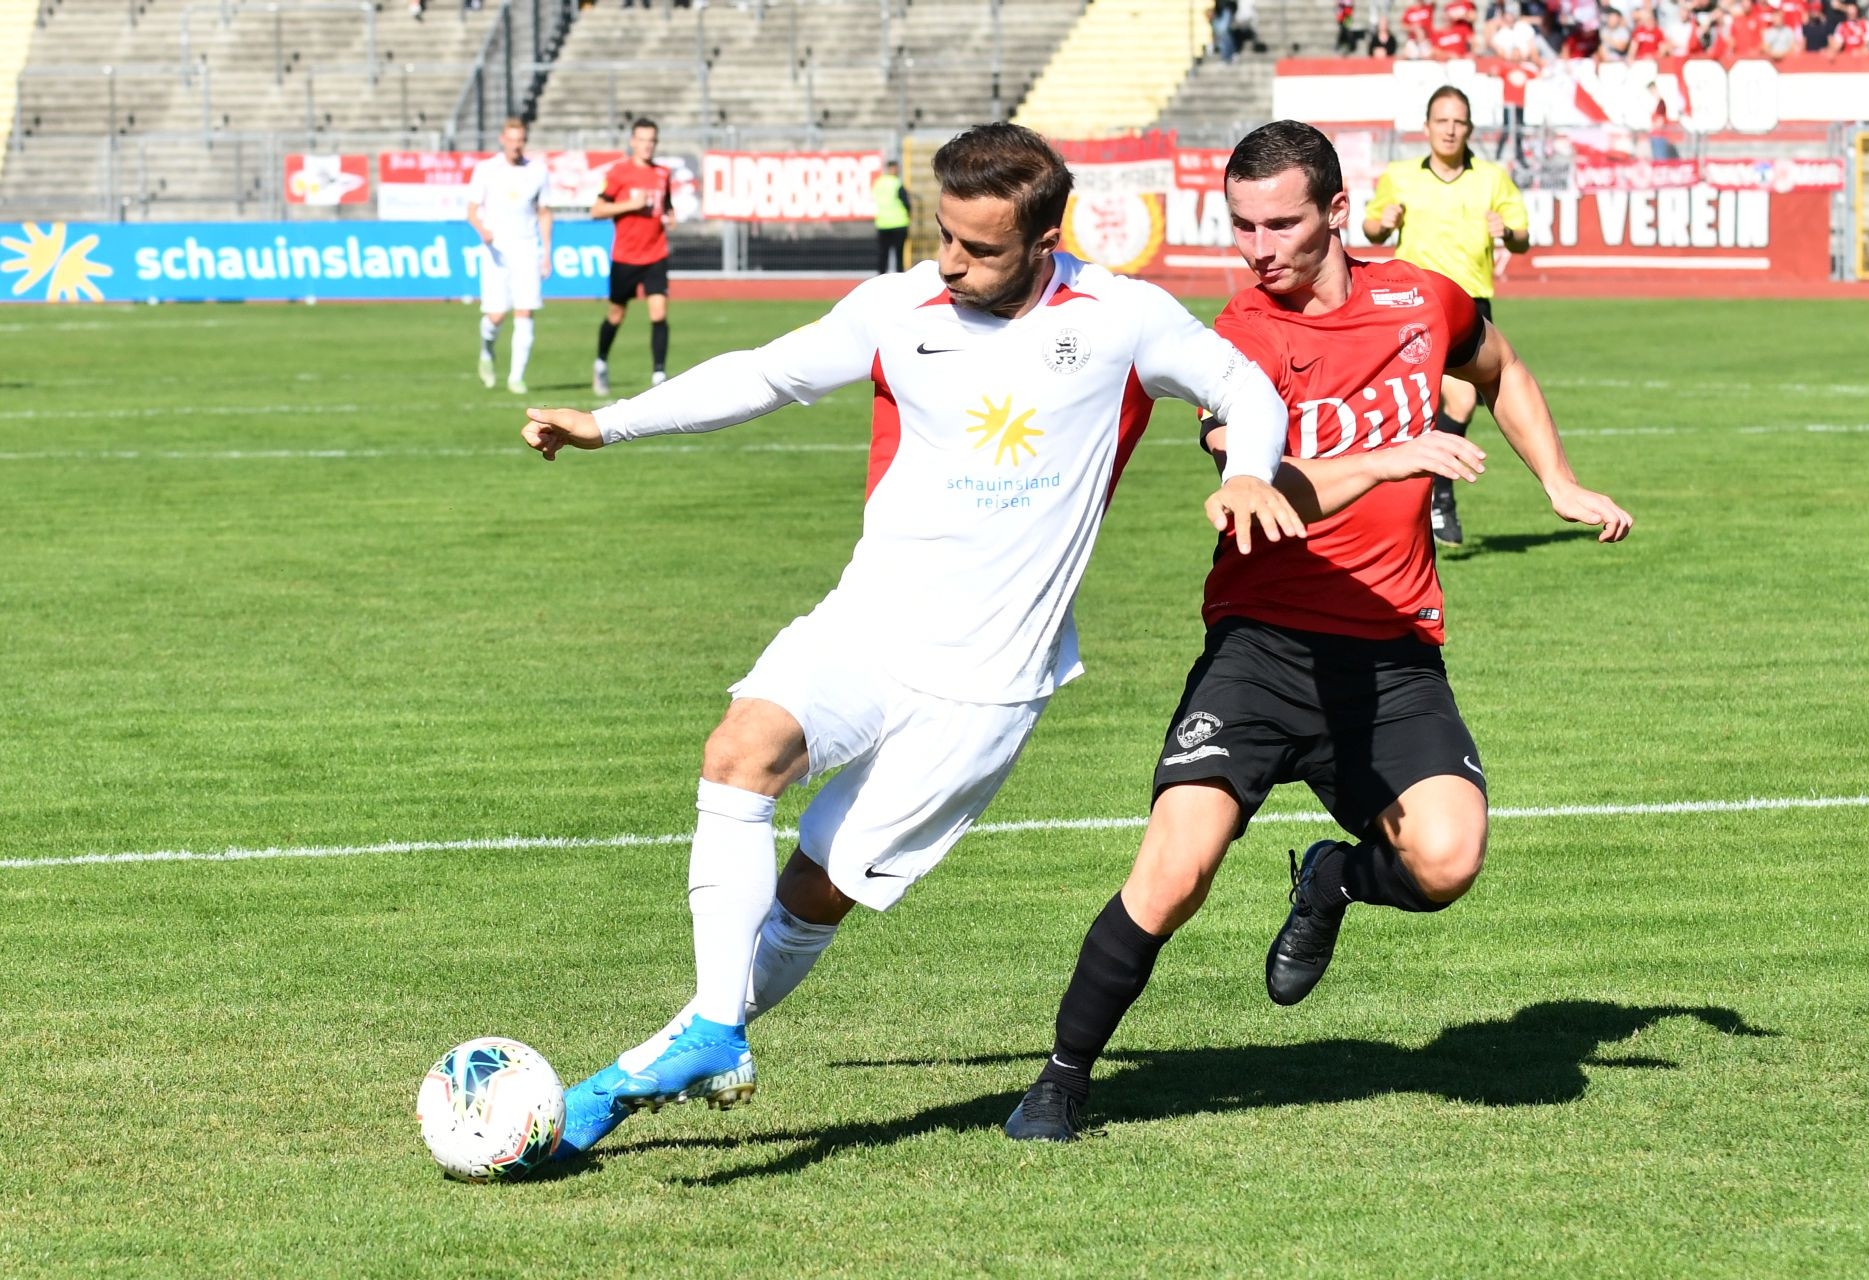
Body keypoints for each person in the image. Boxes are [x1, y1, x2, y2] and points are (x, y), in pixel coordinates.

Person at [516, 122, 1434, 1161]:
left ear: (1047, 240)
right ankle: (715, 1028)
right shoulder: (901, 303)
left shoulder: (1123, 317)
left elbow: (1249, 390)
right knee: (739, 752)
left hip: (987, 687)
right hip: (869, 621)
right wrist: (611, 423)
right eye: (945, 236)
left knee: (815, 888)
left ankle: (675, 1048)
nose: (951, 262)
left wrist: (1251, 470)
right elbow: (769, 374)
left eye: (980, 248)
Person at [1002, 119, 1632, 1143]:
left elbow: (1500, 366)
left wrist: (1556, 482)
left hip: (1390, 650)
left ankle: (1329, 876)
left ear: (1337, 212)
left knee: (1448, 857)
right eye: (1241, 225)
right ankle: (1063, 1076)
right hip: (1263, 646)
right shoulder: (1238, 337)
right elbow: (1262, 486)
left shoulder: (1421, 297)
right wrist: (1388, 461)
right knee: (1175, 869)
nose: (1257, 248)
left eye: (1280, 223)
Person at [1363, 85, 1529, 546]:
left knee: (1457, 403)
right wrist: (1384, 221)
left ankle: (1438, 491)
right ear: (1428, 127)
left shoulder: (1493, 178)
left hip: (1468, 303)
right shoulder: (1400, 176)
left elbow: (1522, 239)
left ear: (1470, 128)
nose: (1450, 129)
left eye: (1459, 122)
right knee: (1406, 409)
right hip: (1409, 304)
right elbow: (1371, 228)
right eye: (1442, 120)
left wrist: (1508, 232)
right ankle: (1406, 509)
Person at [466, 118, 551, 397]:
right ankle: (487, 352)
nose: (516, 145)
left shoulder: (537, 171)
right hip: (495, 251)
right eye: (512, 139)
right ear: (503, 139)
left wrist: (546, 253)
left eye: (521, 140)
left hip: (527, 248)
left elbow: (543, 212)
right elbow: (471, 209)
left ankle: (517, 377)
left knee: (525, 311)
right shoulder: (486, 169)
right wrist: (483, 230)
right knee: (496, 315)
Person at [592, 117, 674, 399]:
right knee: (616, 314)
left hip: (655, 253)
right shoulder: (619, 173)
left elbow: (667, 206)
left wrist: (669, 217)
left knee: (659, 312)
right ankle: (601, 362)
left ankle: (659, 374)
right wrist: (630, 205)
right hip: (626, 256)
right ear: (632, 142)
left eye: (652, 140)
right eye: (642, 140)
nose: (647, 145)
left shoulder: (663, 174)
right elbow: (597, 209)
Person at [872, 158, 912, 274]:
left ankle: (880, 277)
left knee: (883, 253)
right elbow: (906, 203)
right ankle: (899, 277)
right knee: (899, 254)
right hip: (899, 223)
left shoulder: (878, 183)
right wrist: (909, 213)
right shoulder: (897, 183)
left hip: (882, 223)